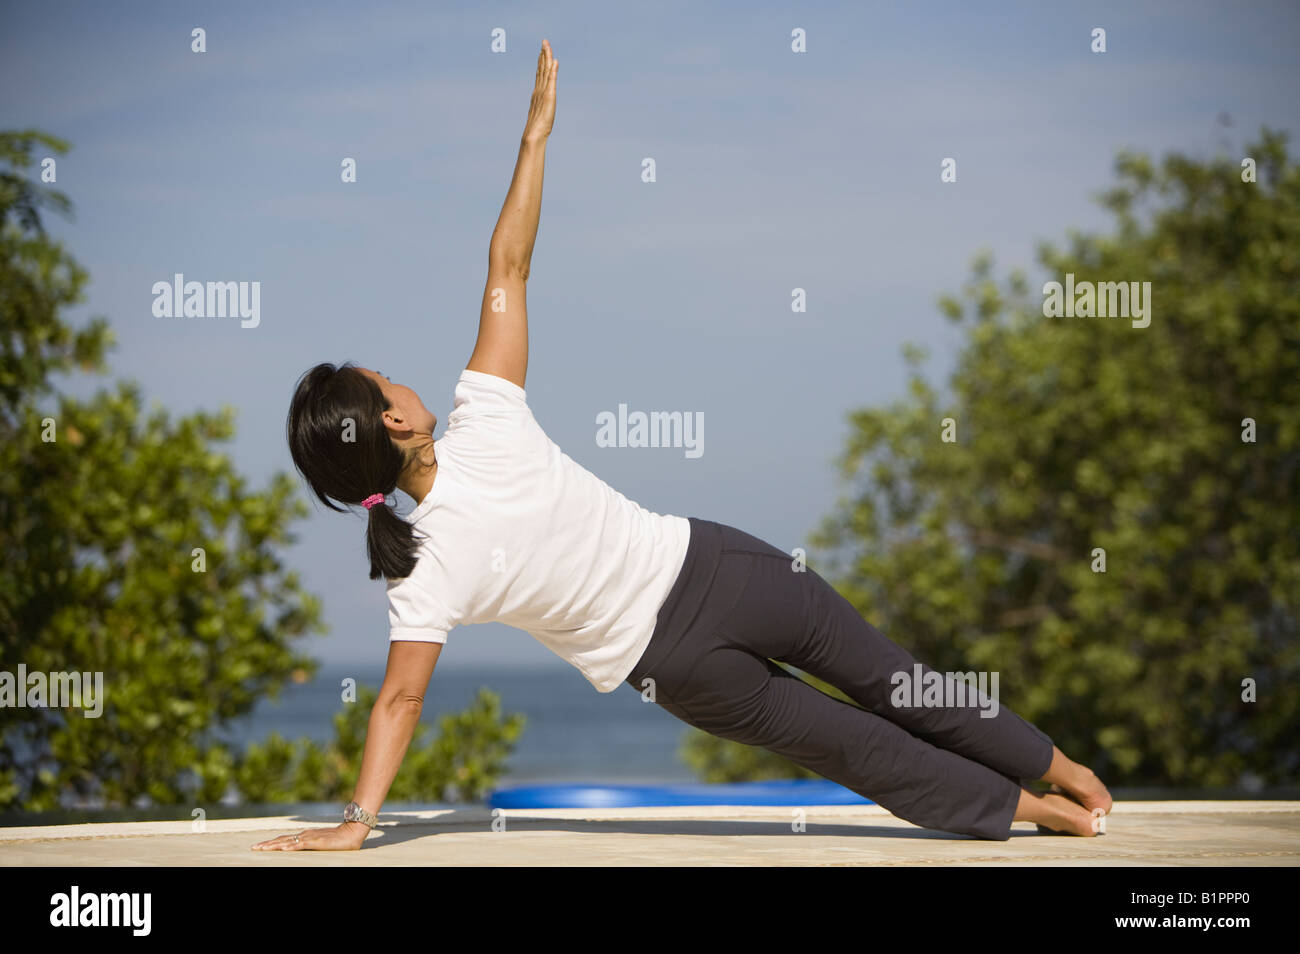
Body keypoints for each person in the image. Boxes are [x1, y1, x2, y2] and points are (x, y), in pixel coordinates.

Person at [254, 40, 1111, 852]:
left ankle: (1049, 811)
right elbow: (507, 268)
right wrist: (535, 138)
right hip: (726, 569)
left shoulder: (421, 561)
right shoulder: (485, 415)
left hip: (675, 664)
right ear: (396, 422)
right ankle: (1074, 779)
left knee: (854, 749)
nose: (403, 383)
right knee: (895, 680)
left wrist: (358, 821)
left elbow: (401, 699)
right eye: (389, 384)